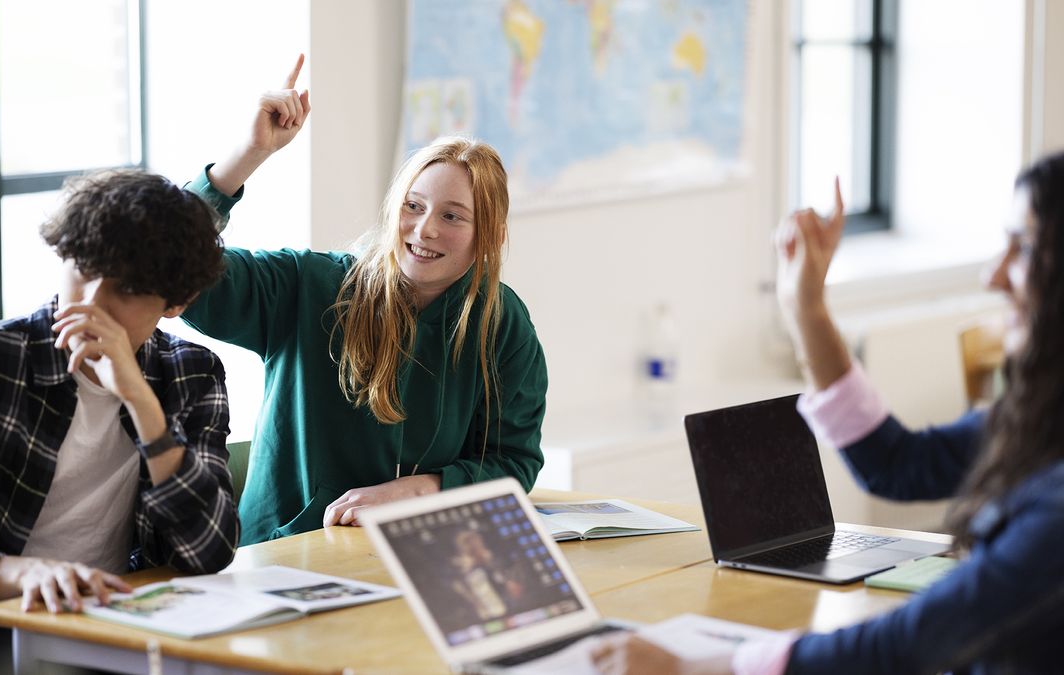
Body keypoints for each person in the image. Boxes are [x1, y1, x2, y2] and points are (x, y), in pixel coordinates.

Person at [591, 155, 1064, 674]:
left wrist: (697, 668)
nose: (993, 274)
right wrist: (806, 308)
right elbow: (898, 462)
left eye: (1026, 247)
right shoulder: (1043, 416)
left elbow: (913, 644)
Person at [181, 56, 549, 545]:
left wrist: (412, 491)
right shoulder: (307, 284)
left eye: (453, 216)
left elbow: (512, 461)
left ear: (489, 233)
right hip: (289, 558)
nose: (425, 230)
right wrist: (247, 155)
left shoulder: (500, 322)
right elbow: (170, 265)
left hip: (422, 554)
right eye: (413, 206)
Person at [0, 170, 240, 649]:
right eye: (82, 269)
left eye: (127, 289)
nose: (92, 302)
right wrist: (19, 573)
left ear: (177, 302)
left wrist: (141, 401)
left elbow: (207, 552)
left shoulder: (192, 374)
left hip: (118, 626)